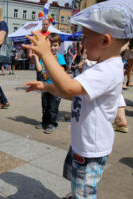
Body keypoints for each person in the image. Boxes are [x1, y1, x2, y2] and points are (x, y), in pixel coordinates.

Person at [22, 0, 132, 198]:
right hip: (83, 142)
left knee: (84, 191)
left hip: (91, 148)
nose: (82, 42)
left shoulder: (107, 70)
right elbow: (72, 93)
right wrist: (47, 86)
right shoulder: (102, 66)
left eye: (85, 37)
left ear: (105, 41)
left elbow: (68, 87)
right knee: (77, 182)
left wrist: (46, 54)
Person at [33, 33, 66, 134]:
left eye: (55, 45)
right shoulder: (44, 57)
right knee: (45, 106)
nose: (52, 48)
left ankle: (52, 123)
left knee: (53, 107)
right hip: (45, 87)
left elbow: (61, 71)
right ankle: (44, 122)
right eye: (50, 45)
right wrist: (36, 58)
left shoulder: (60, 57)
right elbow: (39, 69)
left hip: (55, 88)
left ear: (59, 46)